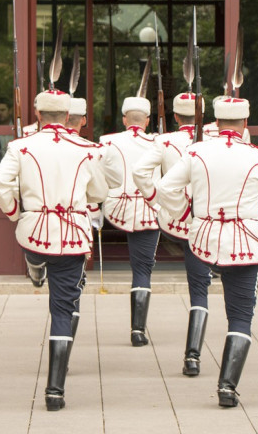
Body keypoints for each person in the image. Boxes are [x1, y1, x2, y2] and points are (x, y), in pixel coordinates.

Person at [155, 96, 258, 407]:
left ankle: (194, 356)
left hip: (203, 239)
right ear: (245, 124)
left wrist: (183, 213)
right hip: (244, 243)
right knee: (241, 316)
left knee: (199, 294)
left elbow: (166, 188)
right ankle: (227, 388)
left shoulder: (196, 151)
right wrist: (255, 202)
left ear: (215, 122)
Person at [0, 89, 107, 412]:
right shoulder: (86, 149)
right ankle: (55, 391)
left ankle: (35, 263)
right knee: (62, 311)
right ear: (68, 117)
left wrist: (15, 211)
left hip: (35, 230)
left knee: (36, 253)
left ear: (38, 116)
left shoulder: (21, 146)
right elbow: (99, 190)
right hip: (71, 234)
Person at [133, 91, 212, 375]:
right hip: (210, 223)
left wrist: (158, 200)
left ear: (176, 117)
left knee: (198, 285)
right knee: (200, 290)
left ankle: (192, 356)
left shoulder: (163, 140)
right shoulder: (215, 140)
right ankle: (193, 356)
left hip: (177, 222)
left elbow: (140, 172)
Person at [99, 94, 160, 347]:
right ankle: (137, 330)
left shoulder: (106, 142)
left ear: (124, 119)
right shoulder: (159, 142)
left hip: (117, 209)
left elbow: (97, 174)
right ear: (147, 120)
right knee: (142, 270)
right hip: (149, 208)